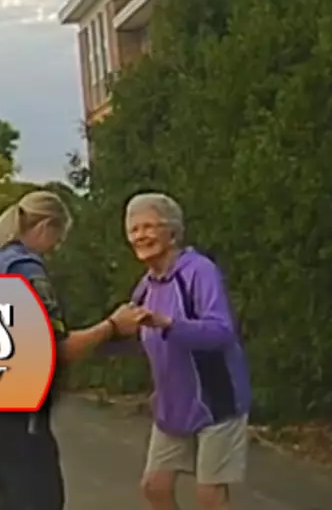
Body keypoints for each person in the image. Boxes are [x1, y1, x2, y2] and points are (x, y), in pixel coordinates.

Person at [0, 189, 152, 510]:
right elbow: (55, 351)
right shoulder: (22, 268)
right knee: (40, 501)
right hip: (3, 418)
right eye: (57, 239)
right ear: (45, 228)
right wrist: (112, 326)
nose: (54, 250)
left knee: (17, 498)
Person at [125, 192, 251, 510]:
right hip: (173, 408)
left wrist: (168, 323)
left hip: (215, 401)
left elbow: (221, 331)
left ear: (172, 231)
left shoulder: (198, 271)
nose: (141, 235)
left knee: (209, 497)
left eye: (150, 226)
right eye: (134, 229)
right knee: (155, 486)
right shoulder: (146, 285)